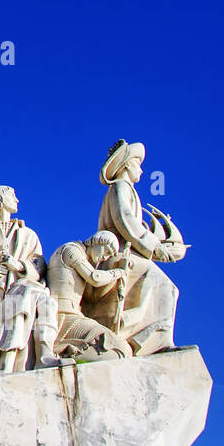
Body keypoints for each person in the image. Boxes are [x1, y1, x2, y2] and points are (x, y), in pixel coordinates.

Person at [97, 140, 183, 354]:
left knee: (166, 287)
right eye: (138, 163)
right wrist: (155, 247)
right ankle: (152, 341)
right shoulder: (119, 186)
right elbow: (125, 220)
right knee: (164, 285)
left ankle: (152, 339)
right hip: (118, 256)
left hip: (131, 254)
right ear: (127, 164)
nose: (142, 169)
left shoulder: (127, 190)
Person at [0, 185, 58, 372]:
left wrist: (19, 266)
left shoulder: (28, 235)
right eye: (12, 195)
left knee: (38, 299)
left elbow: (39, 267)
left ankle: (39, 354)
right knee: (22, 297)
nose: (17, 200)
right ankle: (6, 362)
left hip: (18, 291)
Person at [46, 232, 132, 361]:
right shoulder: (71, 250)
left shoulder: (83, 258)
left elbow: (91, 296)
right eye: (106, 251)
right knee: (118, 350)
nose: (105, 257)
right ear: (98, 241)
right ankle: (63, 354)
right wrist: (119, 272)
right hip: (64, 316)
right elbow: (94, 278)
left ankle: (69, 354)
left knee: (121, 349)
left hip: (72, 315)